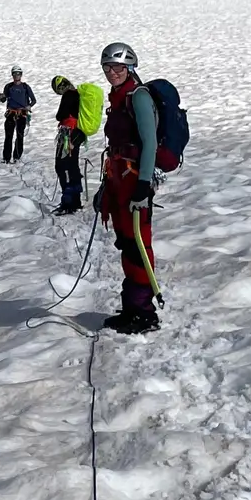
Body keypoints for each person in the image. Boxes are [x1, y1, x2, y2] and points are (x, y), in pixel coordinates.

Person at [96, 42, 160, 334]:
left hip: (135, 181)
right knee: (127, 241)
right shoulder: (119, 97)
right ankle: (133, 307)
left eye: (118, 67)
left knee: (138, 244)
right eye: (108, 67)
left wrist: (143, 185)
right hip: (120, 179)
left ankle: (144, 313)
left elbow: (150, 143)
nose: (112, 73)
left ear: (130, 68)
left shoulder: (138, 97)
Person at [49, 75, 85, 213]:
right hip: (77, 133)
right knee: (72, 165)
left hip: (68, 134)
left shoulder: (68, 95)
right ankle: (76, 200)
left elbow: (60, 115)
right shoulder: (77, 94)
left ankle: (68, 202)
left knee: (62, 166)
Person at [0, 66, 35, 163]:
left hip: (21, 114)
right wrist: (2, 97)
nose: (16, 75)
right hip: (11, 113)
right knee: (8, 136)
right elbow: (4, 99)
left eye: (18, 74)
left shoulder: (25, 87)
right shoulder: (8, 87)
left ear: (21, 75)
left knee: (19, 136)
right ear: (12, 75)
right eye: (14, 74)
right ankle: (6, 158)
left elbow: (33, 100)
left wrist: (29, 106)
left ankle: (16, 157)